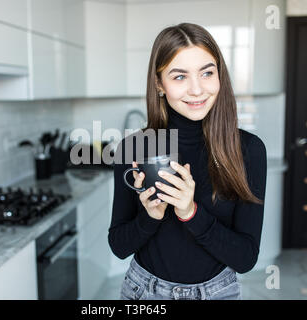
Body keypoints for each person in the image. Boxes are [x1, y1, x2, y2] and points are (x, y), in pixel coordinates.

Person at [108, 23, 267, 300]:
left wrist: (190, 212)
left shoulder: (248, 150)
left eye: (207, 73)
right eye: (179, 77)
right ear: (159, 84)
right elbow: (119, 246)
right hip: (144, 293)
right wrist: (150, 217)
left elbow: (245, 259)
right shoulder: (134, 147)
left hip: (218, 292)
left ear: (220, 76)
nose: (197, 89)